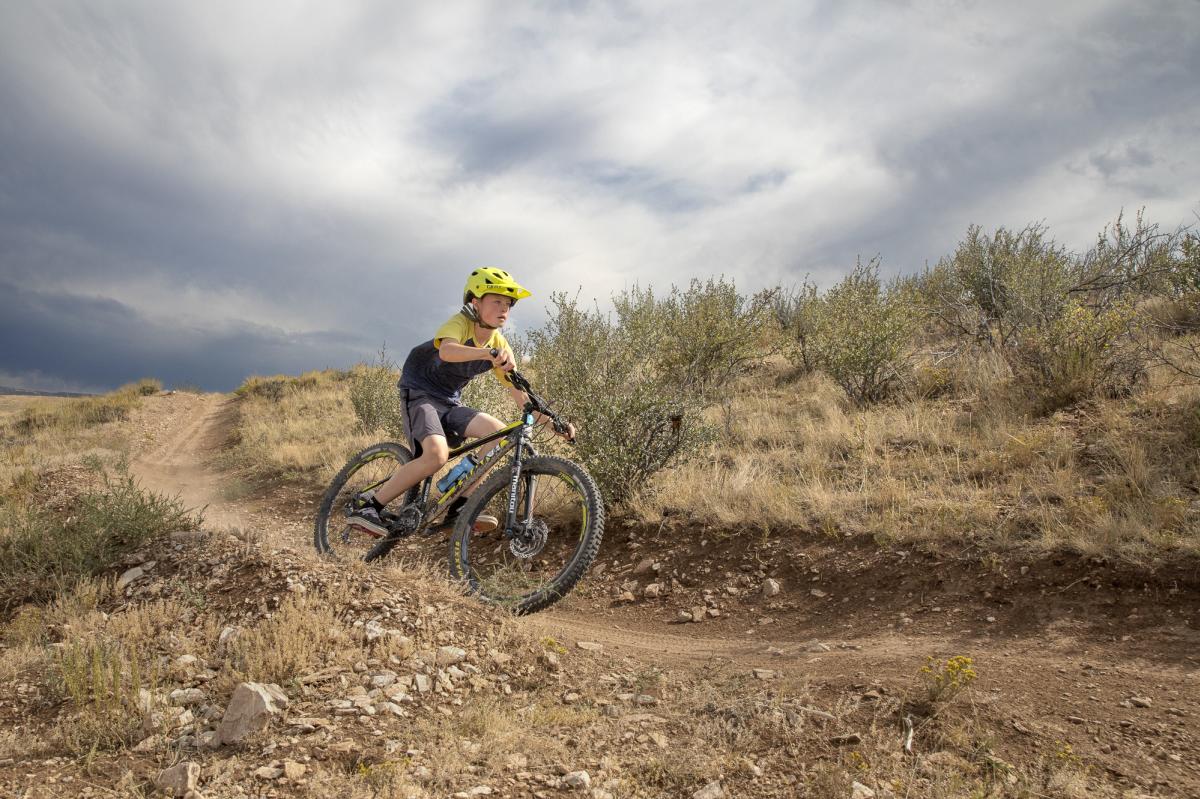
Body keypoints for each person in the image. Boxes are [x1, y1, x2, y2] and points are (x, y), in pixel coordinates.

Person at [348, 267, 575, 536]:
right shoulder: (461, 324)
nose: (504, 308)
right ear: (475, 302)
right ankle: (369, 506)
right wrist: (488, 354)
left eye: (508, 304)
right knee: (436, 455)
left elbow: (521, 397)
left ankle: (459, 505)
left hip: (449, 402)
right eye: (497, 301)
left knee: (497, 433)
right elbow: (446, 350)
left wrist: (554, 424)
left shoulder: (500, 343)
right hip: (419, 393)